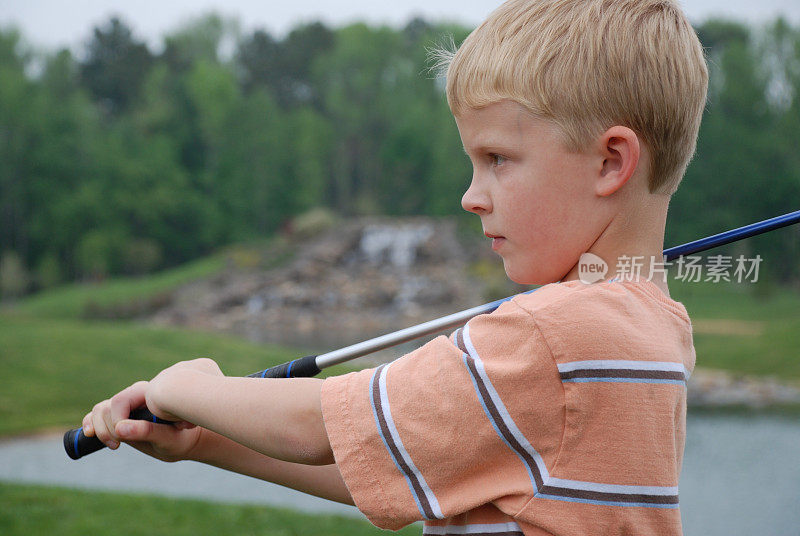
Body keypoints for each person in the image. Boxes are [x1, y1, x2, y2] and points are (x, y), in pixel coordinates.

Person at [84, 0, 707, 534]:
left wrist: (190, 388)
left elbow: (318, 427)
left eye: (497, 158)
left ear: (610, 162)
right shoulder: (658, 327)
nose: (472, 195)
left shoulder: (552, 336)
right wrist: (206, 441)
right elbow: (395, 458)